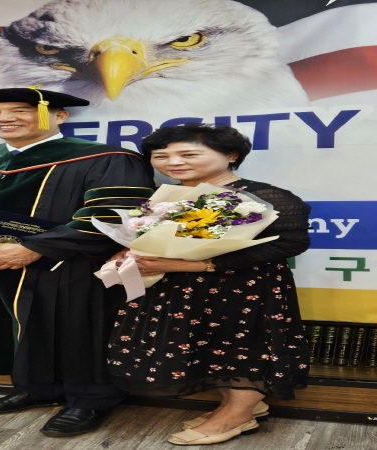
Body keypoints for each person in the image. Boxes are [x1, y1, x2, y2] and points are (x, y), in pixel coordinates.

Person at [0, 86, 154, 437]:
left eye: (20, 109)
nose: (3, 118)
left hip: (70, 267)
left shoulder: (107, 158)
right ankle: (38, 389)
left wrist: (37, 248)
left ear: (59, 115)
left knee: (78, 328)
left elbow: (113, 215)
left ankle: (89, 399)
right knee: (11, 325)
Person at [106, 123, 311, 445]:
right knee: (207, 346)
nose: (174, 162)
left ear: (231, 155)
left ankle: (236, 413)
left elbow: (291, 242)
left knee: (241, 346)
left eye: (188, 154)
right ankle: (241, 405)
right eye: (161, 156)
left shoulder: (262, 196)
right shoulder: (163, 199)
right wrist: (129, 253)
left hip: (242, 288)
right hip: (180, 289)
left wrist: (196, 264)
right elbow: (147, 240)